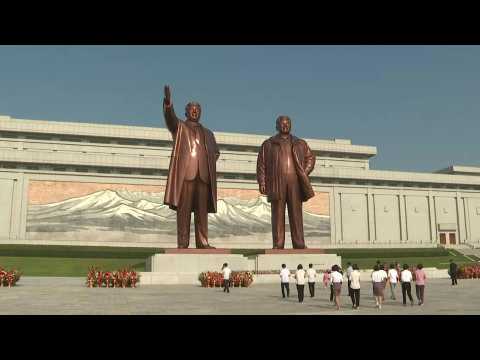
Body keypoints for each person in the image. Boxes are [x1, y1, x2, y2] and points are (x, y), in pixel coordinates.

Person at [162, 85, 220, 249]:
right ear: (186, 112)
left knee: (202, 212)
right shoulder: (180, 127)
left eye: (198, 109)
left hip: (203, 176)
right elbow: (170, 119)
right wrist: (168, 104)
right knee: (184, 211)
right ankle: (183, 243)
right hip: (186, 174)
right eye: (192, 109)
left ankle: (203, 242)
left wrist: (206, 162)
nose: (195, 112)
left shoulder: (208, 133)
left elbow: (216, 152)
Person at [256, 116, 316, 249]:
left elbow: (310, 158)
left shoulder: (300, 143)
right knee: (277, 214)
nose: (285, 125)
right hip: (277, 182)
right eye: (282, 123)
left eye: (287, 123)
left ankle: (299, 243)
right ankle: (278, 244)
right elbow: (261, 164)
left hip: (295, 182)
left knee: (296, 213)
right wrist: (262, 182)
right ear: (277, 126)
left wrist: (304, 172)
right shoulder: (269, 144)